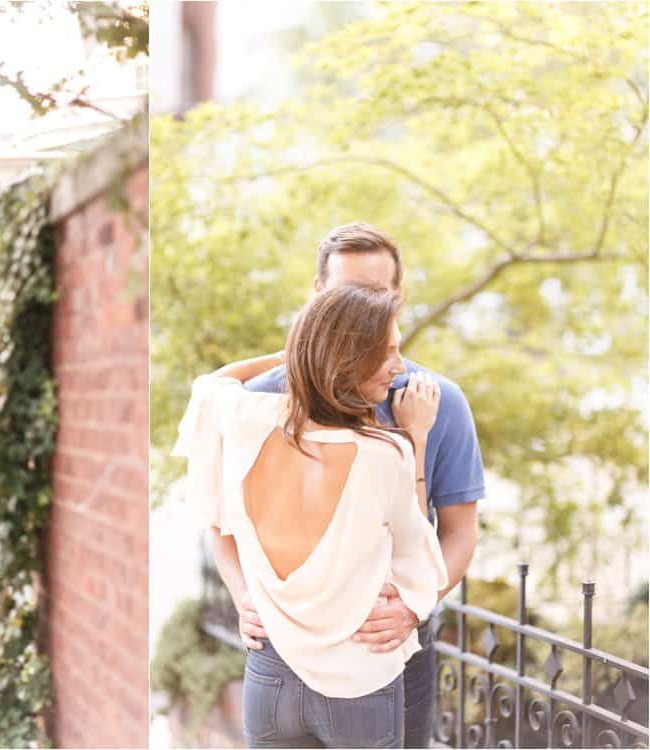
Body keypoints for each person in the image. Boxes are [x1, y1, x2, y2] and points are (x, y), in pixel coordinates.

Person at [215, 222, 485, 747]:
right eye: (346, 296)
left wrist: (411, 608)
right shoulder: (259, 403)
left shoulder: (438, 402)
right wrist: (242, 592)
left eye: (378, 297)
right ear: (317, 298)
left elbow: (459, 532)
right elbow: (222, 520)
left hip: (388, 644)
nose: (362, 312)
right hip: (282, 647)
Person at [174, 284, 449, 747]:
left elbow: (213, 382)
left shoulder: (247, 420)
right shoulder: (386, 454)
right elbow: (417, 554)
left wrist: (303, 351)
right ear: (347, 360)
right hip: (357, 682)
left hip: (270, 676)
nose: (400, 368)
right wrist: (418, 438)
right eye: (387, 354)